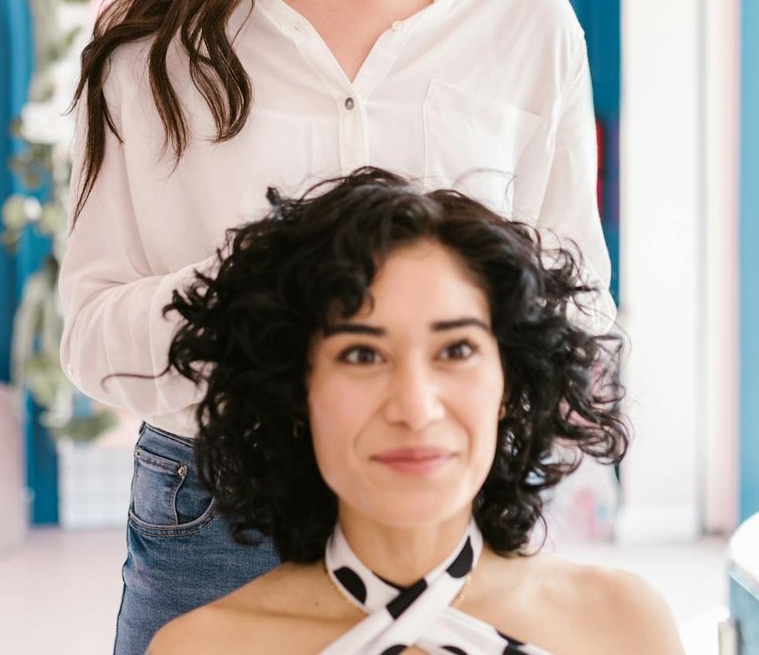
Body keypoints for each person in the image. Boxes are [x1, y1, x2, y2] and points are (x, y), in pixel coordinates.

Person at [58, 0, 615, 654]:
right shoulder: (144, 39)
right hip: (215, 513)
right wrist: (259, 296)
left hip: (450, 510)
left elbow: (576, 309)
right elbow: (90, 333)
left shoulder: (525, 23)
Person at [147, 169, 682, 655]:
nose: (415, 408)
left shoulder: (623, 626)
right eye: (362, 355)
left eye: (456, 351)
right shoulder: (201, 648)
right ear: (294, 394)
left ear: (508, 383)